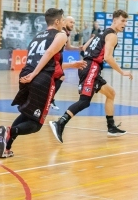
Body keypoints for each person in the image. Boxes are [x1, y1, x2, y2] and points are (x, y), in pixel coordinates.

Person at [48, 9, 133, 143]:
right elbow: (108, 57)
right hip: (91, 67)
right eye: (122, 21)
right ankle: (60, 123)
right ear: (115, 20)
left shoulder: (102, 33)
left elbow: (87, 49)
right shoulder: (112, 35)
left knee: (111, 94)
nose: (125, 24)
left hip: (90, 66)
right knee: (84, 101)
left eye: (126, 21)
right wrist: (122, 72)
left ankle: (111, 127)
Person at [0, 8, 69, 158]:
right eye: (62, 20)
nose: (64, 23)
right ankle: (10, 131)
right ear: (56, 21)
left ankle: (6, 146)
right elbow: (48, 54)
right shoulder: (61, 35)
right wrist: (35, 74)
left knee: (26, 114)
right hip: (40, 78)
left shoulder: (37, 37)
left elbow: (42, 58)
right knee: (36, 124)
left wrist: (31, 74)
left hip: (25, 74)